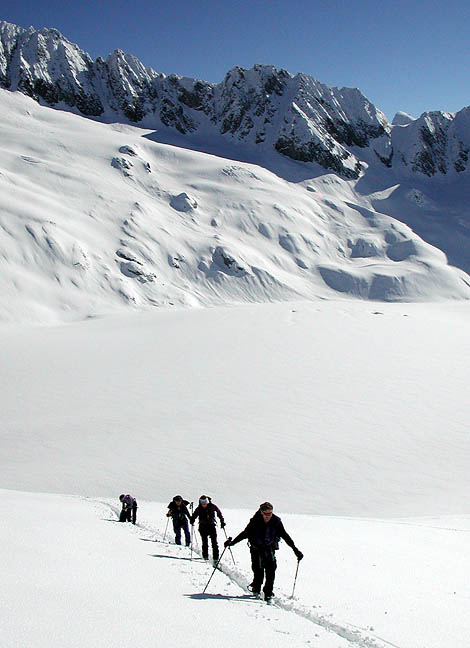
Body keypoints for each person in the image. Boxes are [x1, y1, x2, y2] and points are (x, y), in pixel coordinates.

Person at [224, 501, 303, 602]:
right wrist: (232, 543)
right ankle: (256, 587)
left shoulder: (276, 521)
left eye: (270, 513)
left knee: (271, 570)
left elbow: (285, 535)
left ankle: (268, 593)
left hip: (269, 549)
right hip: (256, 549)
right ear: (261, 512)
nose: (268, 516)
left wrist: (295, 550)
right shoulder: (255, 521)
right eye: (266, 514)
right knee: (258, 570)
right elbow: (245, 533)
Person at [190, 495, 225, 563]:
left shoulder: (212, 506)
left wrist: (222, 521)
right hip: (203, 527)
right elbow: (194, 515)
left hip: (211, 526)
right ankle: (205, 557)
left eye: (205, 502)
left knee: (214, 543)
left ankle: (216, 558)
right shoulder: (199, 509)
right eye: (202, 503)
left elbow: (219, 513)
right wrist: (192, 519)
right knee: (205, 543)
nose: (204, 504)